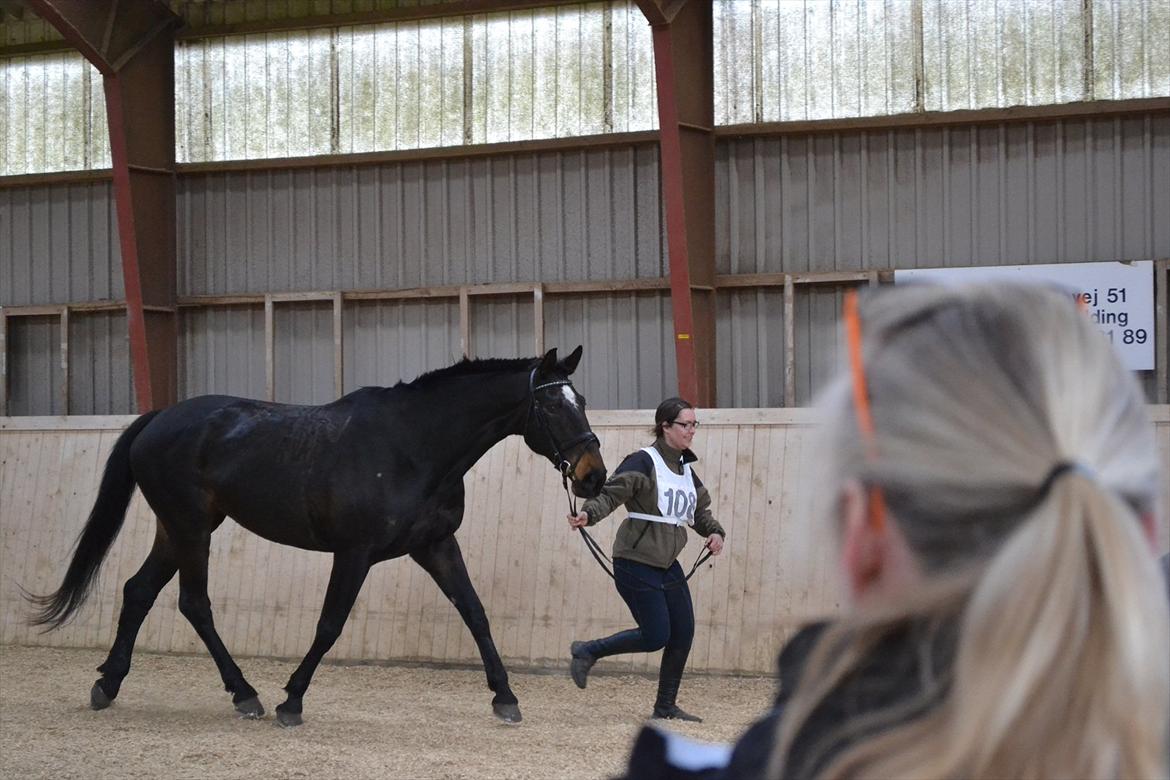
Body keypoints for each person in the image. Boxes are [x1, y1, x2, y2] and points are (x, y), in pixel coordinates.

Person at [619, 283, 1169, 779]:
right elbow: (620, 492)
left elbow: (695, 507)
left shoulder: (783, 758)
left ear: (861, 540)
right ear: (1143, 533)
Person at [567, 397, 726, 722]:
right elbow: (611, 494)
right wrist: (588, 514)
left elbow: (697, 512)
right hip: (635, 559)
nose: (691, 430)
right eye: (686, 424)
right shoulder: (643, 461)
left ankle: (665, 706)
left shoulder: (685, 470)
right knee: (656, 635)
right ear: (665, 426)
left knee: (683, 632)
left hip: (668, 563)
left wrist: (714, 531)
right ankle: (588, 650)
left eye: (694, 424)